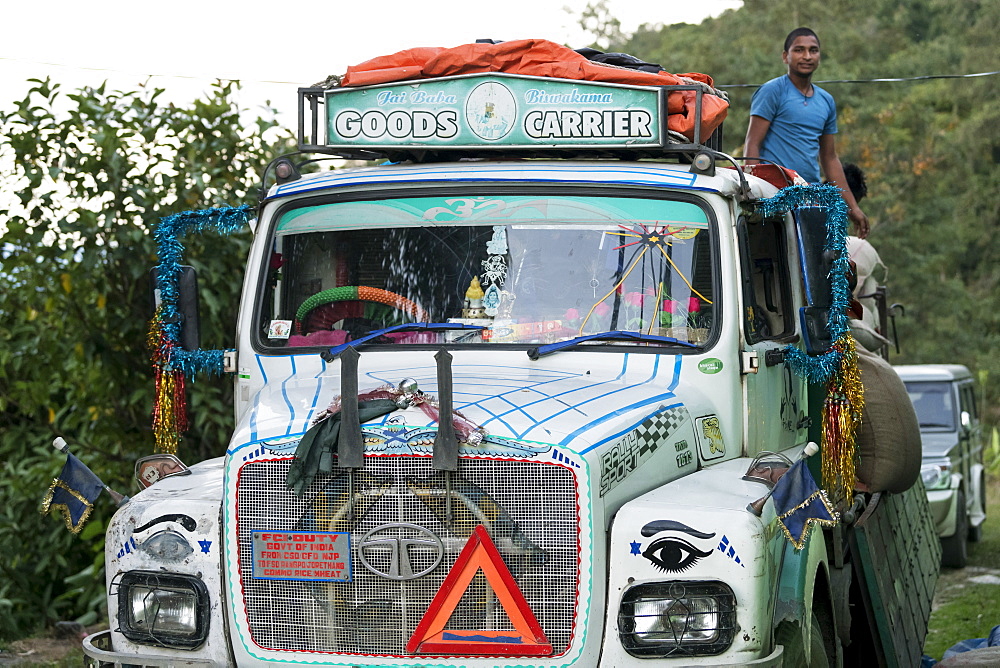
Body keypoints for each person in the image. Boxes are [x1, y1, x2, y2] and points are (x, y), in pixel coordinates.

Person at [744, 27, 870, 238]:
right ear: (786, 56)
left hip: (809, 197)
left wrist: (853, 208)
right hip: (774, 193)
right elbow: (752, 143)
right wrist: (752, 190)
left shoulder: (826, 101)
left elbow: (829, 158)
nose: (807, 56)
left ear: (819, 56)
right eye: (799, 50)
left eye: (813, 50)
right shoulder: (772, 91)